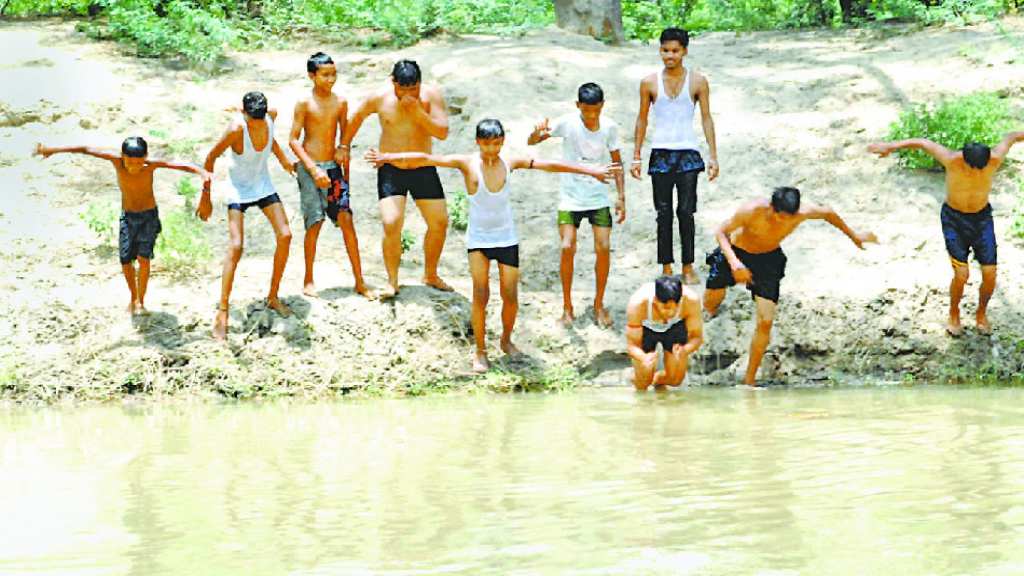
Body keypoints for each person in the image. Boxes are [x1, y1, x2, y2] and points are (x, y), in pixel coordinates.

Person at [365, 119, 618, 373]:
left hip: (506, 238)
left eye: (496, 144)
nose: (492, 150)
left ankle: (506, 340)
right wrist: (387, 156)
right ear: (478, 142)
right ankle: (480, 351)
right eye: (486, 145)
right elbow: (425, 158)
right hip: (478, 241)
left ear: (502, 142)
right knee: (480, 293)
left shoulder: (510, 161)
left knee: (510, 296)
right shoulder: (466, 162)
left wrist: (591, 172)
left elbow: (549, 165)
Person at [703, 187, 877, 386]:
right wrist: (734, 263)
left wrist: (855, 237)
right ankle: (710, 311)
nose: (784, 222)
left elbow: (828, 212)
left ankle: (749, 381)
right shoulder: (750, 210)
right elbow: (721, 232)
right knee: (711, 301)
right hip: (735, 253)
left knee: (765, 321)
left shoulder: (804, 212)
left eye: (789, 218)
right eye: (780, 218)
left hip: (768, 260)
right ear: (771, 207)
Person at [868, 132, 1023, 336]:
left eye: (982, 167)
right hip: (954, 219)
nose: (977, 171)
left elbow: (1012, 137)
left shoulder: (994, 159)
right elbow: (923, 143)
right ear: (964, 159)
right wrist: (891, 145)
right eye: (972, 167)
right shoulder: (951, 159)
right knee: (961, 274)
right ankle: (954, 313)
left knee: (990, 274)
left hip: (982, 219)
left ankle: (981, 314)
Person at [34, 138, 209, 315]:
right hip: (128, 217)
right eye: (130, 162)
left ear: (146, 157)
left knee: (143, 259)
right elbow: (86, 148)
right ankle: (133, 297)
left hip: (148, 216)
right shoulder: (115, 161)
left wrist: (202, 173)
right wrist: (53, 149)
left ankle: (141, 300)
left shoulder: (151, 165)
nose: (134, 167)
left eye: (139, 162)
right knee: (125, 261)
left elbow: (179, 165)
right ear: (122, 156)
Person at [341, 59, 451, 299]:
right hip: (391, 168)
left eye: (414, 88)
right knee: (391, 223)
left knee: (440, 222)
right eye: (404, 89)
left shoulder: (431, 95)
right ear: (393, 83)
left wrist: (418, 113)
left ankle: (430, 274)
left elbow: (442, 132)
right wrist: (344, 145)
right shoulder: (380, 96)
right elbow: (357, 116)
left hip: (423, 166)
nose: (409, 94)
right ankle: (392, 281)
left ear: (420, 83)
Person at [198, 91, 296, 340]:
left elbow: (272, 139)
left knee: (285, 235)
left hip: (262, 184)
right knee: (237, 245)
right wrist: (205, 197)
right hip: (237, 188)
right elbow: (210, 158)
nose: (258, 124)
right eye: (253, 120)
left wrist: (284, 161)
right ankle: (223, 310)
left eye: (260, 120)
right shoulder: (235, 129)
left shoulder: (269, 116)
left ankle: (273, 296)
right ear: (244, 115)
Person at [528, 82, 626, 327]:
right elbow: (533, 142)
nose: (592, 116)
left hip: (598, 196)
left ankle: (599, 303)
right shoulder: (567, 123)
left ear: (602, 106)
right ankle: (567, 306)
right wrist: (536, 131)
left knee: (603, 247)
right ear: (578, 106)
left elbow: (617, 163)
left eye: (596, 110)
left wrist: (621, 196)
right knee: (566, 246)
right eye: (587, 111)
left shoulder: (610, 127)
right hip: (570, 196)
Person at [631, 27, 719, 285]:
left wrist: (713, 155)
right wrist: (636, 155)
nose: (670, 55)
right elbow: (642, 118)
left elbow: (706, 117)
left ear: (684, 51)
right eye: (665, 50)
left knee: (686, 212)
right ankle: (666, 266)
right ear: (660, 50)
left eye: (675, 51)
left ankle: (688, 265)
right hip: (660, 152)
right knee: (663, 213)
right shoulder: (649, 82)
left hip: (688, 153)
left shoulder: (698, 81)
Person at [289, 51, 372, 299]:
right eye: (325, 75)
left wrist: (345, 170)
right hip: (310, 167)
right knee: (315, 223)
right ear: (312, 76)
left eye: (333, 74)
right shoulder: (304, 103)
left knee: (346, 219)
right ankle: (308, 280)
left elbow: (345, 139)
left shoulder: (341, 102)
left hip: (333, 170)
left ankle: (360, 281)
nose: (330, 79)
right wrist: (313, 170)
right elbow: (293, 140)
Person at [625, 275, 703, 391]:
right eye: (665, 308)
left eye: (674, 308)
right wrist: (643, 358)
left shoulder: (691, 301)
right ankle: (637, 381)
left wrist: (684, 350)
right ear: (656, 301)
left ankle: (658, 382)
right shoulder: (638, 304)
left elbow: (697, 337)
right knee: (643, 382)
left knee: (675, 380)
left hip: (675, 326)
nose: (670, 313)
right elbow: (631, 345)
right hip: (646, 327)